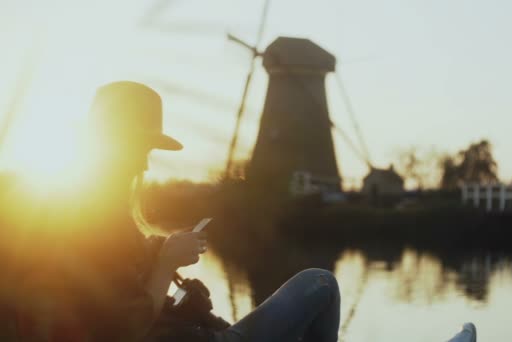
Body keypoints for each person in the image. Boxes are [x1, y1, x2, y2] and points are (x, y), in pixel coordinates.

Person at [12, 81, 475, 342]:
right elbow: (120, 328)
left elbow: (116, 276)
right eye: (142, 145)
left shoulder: (92, 212)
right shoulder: (87, 219)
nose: (146, 159)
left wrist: (164, 263)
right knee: (321, 284)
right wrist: (165, 265)